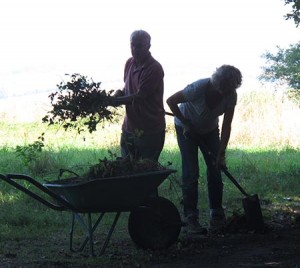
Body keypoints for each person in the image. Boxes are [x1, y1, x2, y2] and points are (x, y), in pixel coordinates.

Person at [166, 65, 243, 235]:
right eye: (221, 89)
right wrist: (186, 123)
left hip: (210, 131)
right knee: (191, 172)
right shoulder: (198, 88)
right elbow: (171, 101)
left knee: (216, 169)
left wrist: (221, 153)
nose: (223, 93)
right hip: (186, 129)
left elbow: (227, 124)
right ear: (216, 83)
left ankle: (216, 215)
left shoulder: (231, 95)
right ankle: (190, 218)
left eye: (228, 90)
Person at [110, 30, 165, 162]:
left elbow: (140, 96)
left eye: (139, 45)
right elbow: (128, 89)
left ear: (149, 46)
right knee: (127, 168)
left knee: (146, 172)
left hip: (150, 131)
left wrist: (115, 101)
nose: (135, 49)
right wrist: (118, 94)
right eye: (132, 45)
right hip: (129, 127)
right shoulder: (129, 63)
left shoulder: (154, 68)